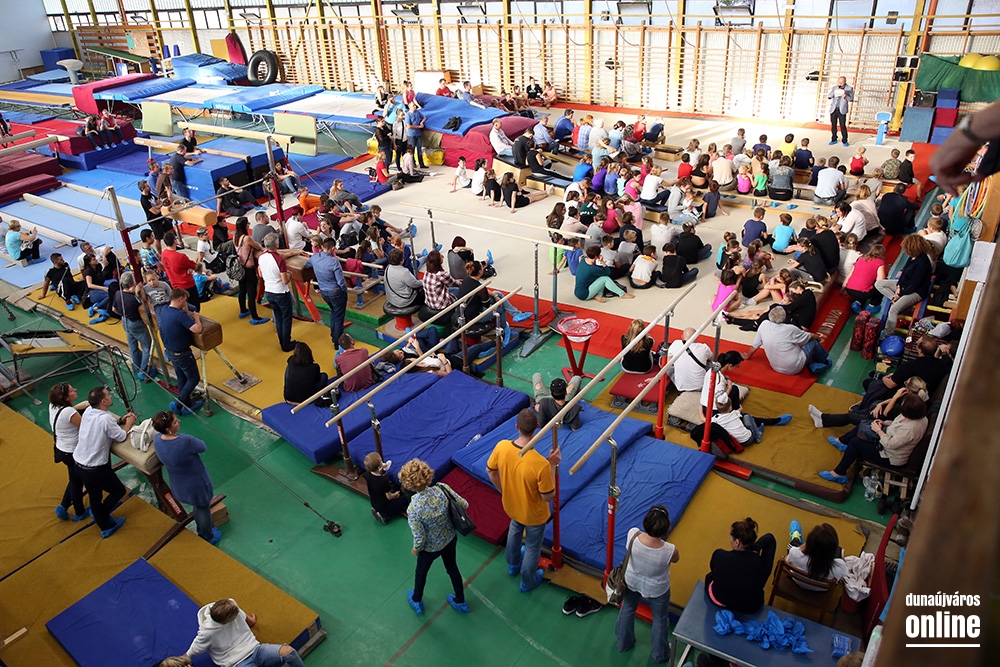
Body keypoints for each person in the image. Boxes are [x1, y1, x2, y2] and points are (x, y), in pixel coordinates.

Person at [487, 409, 561, 593]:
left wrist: (504, 490)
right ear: (537, 427)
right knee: (532, 547)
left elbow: (490, 471)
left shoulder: (502, 447)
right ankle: (528, 581)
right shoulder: (540, 464)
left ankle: (512, 564)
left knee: (515, 531)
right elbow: (547, 496)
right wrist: (552, 465)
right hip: (534, 514)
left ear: (516, 427)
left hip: (512, 505)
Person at [400, 458, 470, 614]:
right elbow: (464, 504)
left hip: (430, 549)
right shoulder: (442, 488)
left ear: (409, 485)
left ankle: (417, 599)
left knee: (421, 572)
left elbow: (420, 537)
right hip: (449, 538)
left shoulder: (413, 508)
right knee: (452, 568)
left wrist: (416, 549)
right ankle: (460, 600)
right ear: (427, 474)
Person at [614, 505, 678, 664]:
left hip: (632, 580)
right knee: (660, 620)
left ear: (645, 523)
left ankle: (623, 643)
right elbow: (676, 560)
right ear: (666, 528)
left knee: (628, 608)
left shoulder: (633, 535)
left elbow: (630, 549)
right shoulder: (669, 550)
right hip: (657, 588)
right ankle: (660, 654)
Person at [820, 393, 929, 484]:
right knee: (864, 424)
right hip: (888, 437)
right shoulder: (920, 416)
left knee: (855, 443)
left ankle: (839, 473)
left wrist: (878, 430)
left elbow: (890, 444)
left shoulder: (910, 429)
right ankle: (842, 441)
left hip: (889, 456)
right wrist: (884, 423)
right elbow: (897, 424)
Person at [73, 386, 136, 538]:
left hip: (79, 463)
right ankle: (101, 515)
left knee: (95, 494)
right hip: (95, 469)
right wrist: (129, 422)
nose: (111, 397)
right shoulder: (105, 419)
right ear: (103, 401)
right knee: (118, 490)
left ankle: (104, 523)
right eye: (108, 395)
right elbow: (121, 436)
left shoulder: (89, 411)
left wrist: (120, 420)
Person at [152, 410, 222, 544]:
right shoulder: (185, 441)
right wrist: (180, 437)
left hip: (179, 484)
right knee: (203, 507)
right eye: (175, 422)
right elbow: (202, 447)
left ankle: (202, 528)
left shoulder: (157, 439)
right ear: (168, 429)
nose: (179, 421)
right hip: (197, 484)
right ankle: (207, 535)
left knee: (197, 505)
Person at [176, 598, 305, 667]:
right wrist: (181, 663)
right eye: (236, 614)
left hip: (257, 651)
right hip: (238, 663)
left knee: (289, 652)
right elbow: (189, 653)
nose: (239, 613)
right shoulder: (206, 633)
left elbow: (244, 617)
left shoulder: (230, 606)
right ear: (224, 622)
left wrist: (250, 621)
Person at [705, 517, 776, 614]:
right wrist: (755, 548)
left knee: (712, 575)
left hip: (719, 600)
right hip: (750, 606)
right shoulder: (761, 565)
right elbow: (770, 538)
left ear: (737, 542)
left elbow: (714, 570)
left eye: (730, 536)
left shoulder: (719, 555)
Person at [743, 306, 830, 375]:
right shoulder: (790, 329)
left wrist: (748, 356)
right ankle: (824, 362)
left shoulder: (764, 324)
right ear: (784, 318)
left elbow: (756, 344)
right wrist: (818, 338)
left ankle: (810, 363)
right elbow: (809, 337)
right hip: (795, 367)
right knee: (813, 342)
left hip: (775, 367)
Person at [48, 382, 91, 522]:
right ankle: (79, 511)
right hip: (73, 451)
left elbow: (68, 414)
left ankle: (64, 506)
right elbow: (86, 426)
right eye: (72, 391)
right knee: (77, 482)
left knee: (74, 479)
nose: (75, 390)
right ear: (66, 398)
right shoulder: (69, 412)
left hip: (62, 448)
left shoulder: (53, 405)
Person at [875, 234, 933, 335]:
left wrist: (901, 293)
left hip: (916, 291)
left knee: (893, 310)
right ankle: (894, 298)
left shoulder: (922, 263)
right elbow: (904, 272)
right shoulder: (912, 257)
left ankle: (888, 334)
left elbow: (914, 284)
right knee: (879, 284)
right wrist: (898, 287)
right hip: (904, 285)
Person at [159, 288, 205, 415]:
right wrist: (196, 318)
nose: (186, 302)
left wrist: (184, 311)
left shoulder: (164, 310)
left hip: (170, 351)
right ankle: (179, 404)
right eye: (185, 300)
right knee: (194, 379)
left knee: (181, 378)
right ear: (180, 299)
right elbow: (198, 329)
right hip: (182, 353)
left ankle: (189, 404)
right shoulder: (180, 315)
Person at [305, 238, 349, 345]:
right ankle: (337, 341)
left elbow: (307, 265)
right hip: (336, 292)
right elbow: (340, 281)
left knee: (334, 312)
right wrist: (344, 291)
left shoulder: (315, 257)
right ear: (333, 248)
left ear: (322, 247)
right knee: (339, 317)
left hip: (324, 292)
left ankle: (334, 335)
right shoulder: (334, 262)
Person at [115, 272, 157, 382]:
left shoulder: (118, 294)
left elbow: (114, 309)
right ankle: (144, 371)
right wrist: (139, 294)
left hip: (125, 320)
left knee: (132, 346)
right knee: (147, 347)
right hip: (136, 324)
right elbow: (146, 309)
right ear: (130, 285)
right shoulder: (133, 299)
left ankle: (138, 366)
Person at [259, 233, 296, 352]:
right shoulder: (279, 260)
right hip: (280, 291)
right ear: (276, 244)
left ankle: (282, 341)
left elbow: (260, 274)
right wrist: (289, 274)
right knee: (286, 318)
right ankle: (286, 343)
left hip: (269, 291)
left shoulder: (261, 256)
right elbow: (285, 281)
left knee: (278, 316)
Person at [784, 523, 848, 588]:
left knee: (793, 540)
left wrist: (805, 546)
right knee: (838, 550)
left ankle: (796, 536)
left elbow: (786, 562)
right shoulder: (840, 566)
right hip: (821, 590)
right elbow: (842, 577)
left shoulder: (794, 553)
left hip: (798, 582)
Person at [233, 217, 270, 325]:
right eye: (248, 223)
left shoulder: (235, 236)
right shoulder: (246, 238)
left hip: (240, 267)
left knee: (242, 290)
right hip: (249, 268)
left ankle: (243, 310)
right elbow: (258, 247)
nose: (249, 225)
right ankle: (255, 317)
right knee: (251, 292)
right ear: (245, 225)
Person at [161, 231, 200, 311]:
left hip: (174, 284)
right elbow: (194, 266)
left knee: (183, 307)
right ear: (175, 241)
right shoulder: (181, 257)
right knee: (195, 307)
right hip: (187, 285)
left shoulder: (164, 254)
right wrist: (190, 268)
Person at [364, 452, 408, 524]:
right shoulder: (383, 480)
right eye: (381, 462)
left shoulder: (367, 474)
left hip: (375, 502)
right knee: (404, 501)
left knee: (392, 489)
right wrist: (395, 494)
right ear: (379, 467)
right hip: (385, 506)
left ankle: (377, 509)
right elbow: (389, 497)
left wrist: (382, 466)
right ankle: (384, 515)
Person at [844, 243, 887, 312]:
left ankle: (858, 302)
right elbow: (880, 280)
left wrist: (843, 288)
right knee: (883, 284)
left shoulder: (861, 259)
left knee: (865, 285)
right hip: (862, 292)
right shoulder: (879, 262)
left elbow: (849, 275)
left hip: (850, 290)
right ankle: (872, 305)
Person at [828, 76, 854, 146]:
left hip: (842, 110)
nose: (840, 84)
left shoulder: (849, 88)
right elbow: (829, 96)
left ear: (845, 82)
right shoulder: (834, 87)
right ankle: (834, 139)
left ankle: (845, 140)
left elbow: (851, 99)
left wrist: (846, 96)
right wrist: (834, 91)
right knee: (833, 125)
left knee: (842, 126)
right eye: (839, 82)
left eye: (842, 82)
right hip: (834, 109)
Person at [404, 101, 427, 168]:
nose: (415, 106)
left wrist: (421, 122)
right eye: (413, 105)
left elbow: (424, 117)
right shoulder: (408, 115)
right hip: (412, 135)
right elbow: (409, 126)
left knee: (419, 149)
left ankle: (421, 164)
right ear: (409, 107)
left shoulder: (417, 112)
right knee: (412, 149)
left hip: (418, 134)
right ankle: (413, 163)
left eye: (415, 105)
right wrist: (418, 127)